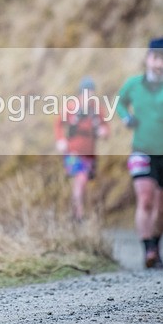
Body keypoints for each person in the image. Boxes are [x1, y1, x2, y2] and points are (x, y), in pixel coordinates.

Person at [116, 37, 163, 269]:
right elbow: (119, 103)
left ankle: (156, 244)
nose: (159, 64)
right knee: (146, 198)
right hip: (142, 149)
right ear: (148, 59)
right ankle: (148, 248)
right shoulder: (133, 84)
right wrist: (126, 117)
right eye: (156, 58)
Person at [54, 76, 110, 222]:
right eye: (86, 91)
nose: (89, 95)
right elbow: (58, 124)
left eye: (91, 91)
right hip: (73, 152)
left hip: (89, 153)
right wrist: (60, 140)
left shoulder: (97, 109)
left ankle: (76, 213)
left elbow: (106, 128)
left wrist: (103, 132)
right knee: (80, 179)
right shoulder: (71, 107)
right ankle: (79, 215)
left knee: (83, 183)